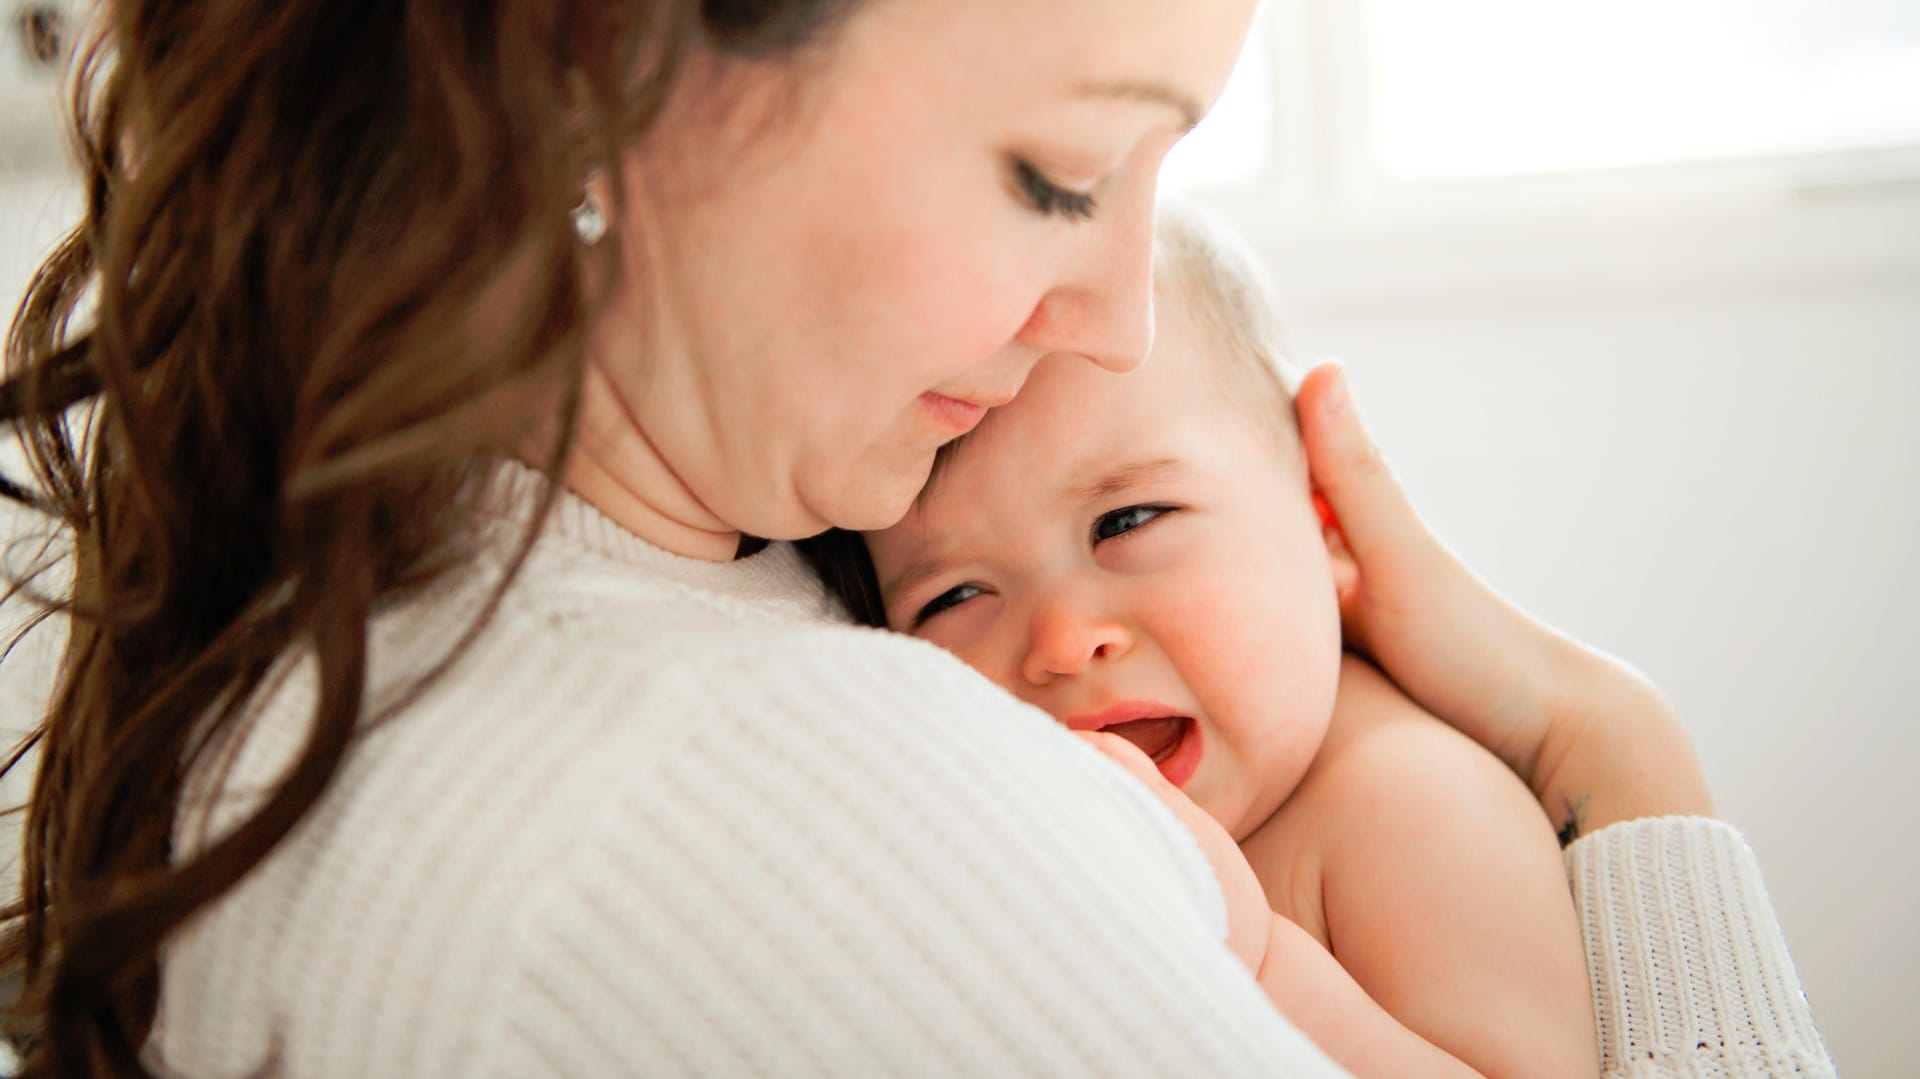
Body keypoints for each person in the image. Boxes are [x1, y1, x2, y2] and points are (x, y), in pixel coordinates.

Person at [0, 1, 1834, 1076]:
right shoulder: (767, 790)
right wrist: (1620, 750)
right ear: (611, 60)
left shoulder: (370, 575)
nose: (1109, 312)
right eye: (1057, 172)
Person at [812, 210, 1598, 1076]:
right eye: (955, 594)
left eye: (1128, 520)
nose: (1064, 641)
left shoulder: (1411, 798)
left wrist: (1258, 962)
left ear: (1324, 512)